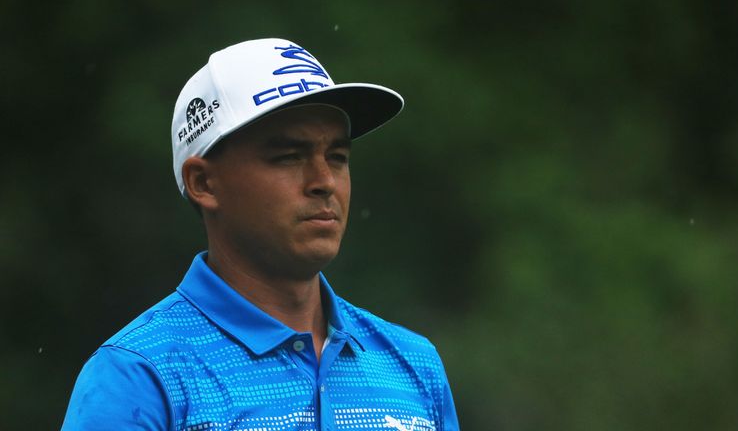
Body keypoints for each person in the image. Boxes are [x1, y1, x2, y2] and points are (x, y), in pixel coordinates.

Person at [61, 38, 460, 431]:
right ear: (204, 183)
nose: (324, 182)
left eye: (337, 157)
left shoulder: (415, 365)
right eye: (288, 157)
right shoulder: (139, 376)